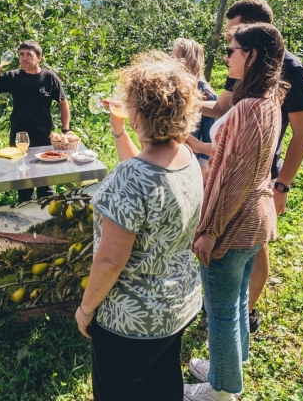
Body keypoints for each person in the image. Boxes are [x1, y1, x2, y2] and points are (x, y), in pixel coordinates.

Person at [74, 52, 204, 401]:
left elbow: (109, 261)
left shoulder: (130, 177)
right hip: (178, 304)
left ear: (140, 111)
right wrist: (119, 129)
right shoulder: (188, 159)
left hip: (131, 323)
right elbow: (145, 174)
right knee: (163, 388)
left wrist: (86, 310)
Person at [186, 24, 288, 401]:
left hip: (235, 222)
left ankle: (221, 390)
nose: (227, 56)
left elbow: (233, 178)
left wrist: (210, 229)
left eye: (233, 50)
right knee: (239, 296)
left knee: (222, 313)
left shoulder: (247, 108)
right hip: (258, 219)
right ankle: (230, 364)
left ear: (253, 55)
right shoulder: (270, 100)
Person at [200, 0, 303, 332]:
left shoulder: (289, 69)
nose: (228, 43)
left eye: (234, 33)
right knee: (243, 238)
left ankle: (245, 312)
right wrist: (179, 100)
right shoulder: (241, 63)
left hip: (263, 171)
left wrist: (282, 185)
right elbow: (221, 107)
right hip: (238, 161)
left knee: (255, 241)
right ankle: (234, 311)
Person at [0, 39, 71, 202]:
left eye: (29, 55)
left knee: (45, 184)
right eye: (21, 54)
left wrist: (65, 130)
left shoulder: (49, 78)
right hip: (19, 136)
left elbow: (63, 102)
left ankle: (47, 219)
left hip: (43, 137)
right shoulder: (13, 77)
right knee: (23, 184)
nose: (24, 58)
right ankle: (28, 221)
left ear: (39, 57)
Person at [172, 38, 218, 184]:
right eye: (172, 57)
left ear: (190, 61)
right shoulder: (170, 87)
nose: (172, 61)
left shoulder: (207, 95)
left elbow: (209, 136)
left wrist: (202, 171)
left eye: (178, 58)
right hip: (168, 157)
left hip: (189, 163)